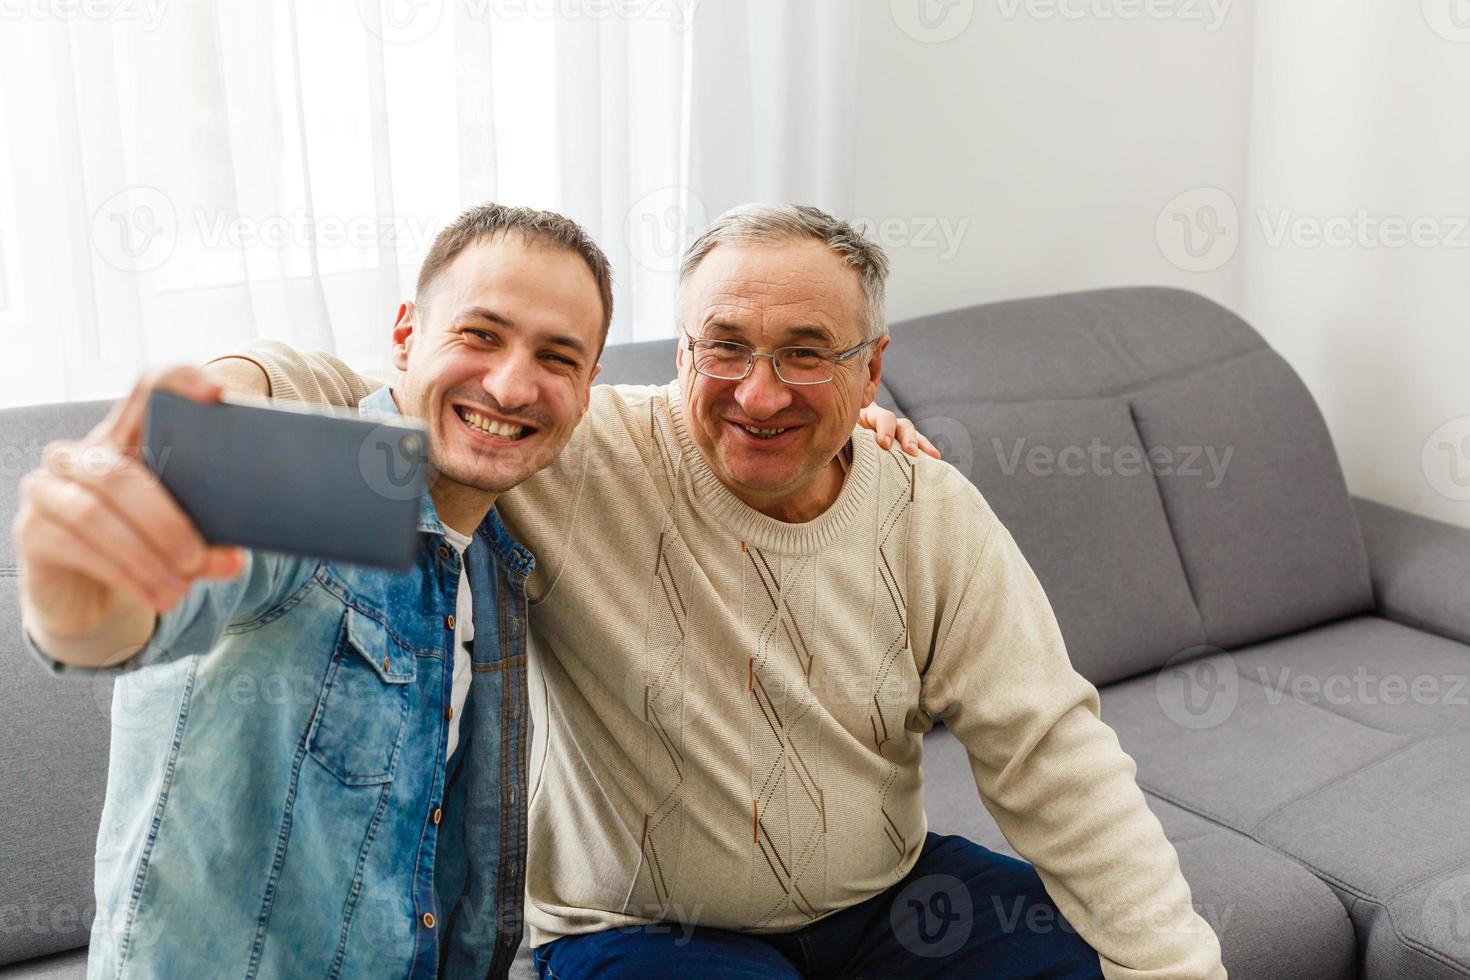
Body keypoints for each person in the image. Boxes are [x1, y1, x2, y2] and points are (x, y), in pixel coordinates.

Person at [216, 204, 1226, 979]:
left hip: (885, 895)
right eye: (727, 345)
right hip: (638, 926)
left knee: (1088, 954)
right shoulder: (573, 450)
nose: (760, 390)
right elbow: (376, 392)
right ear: (683, 350)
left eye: (806, 353)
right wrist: (222, 388)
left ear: (870, 370)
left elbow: (1056, 753)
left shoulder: (928, 509)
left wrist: (1176, 966)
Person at [15, 204, 613, 978]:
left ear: (590, 387)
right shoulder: (298, 487)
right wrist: (79, 599)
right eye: (480, 335)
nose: (510, 384)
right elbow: (134, 616)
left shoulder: (500, 565)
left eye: (557, 357)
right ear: (405, 336)